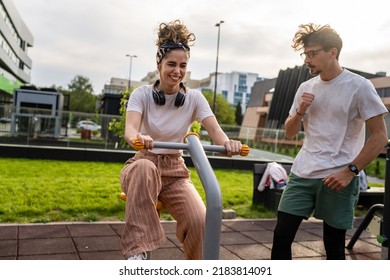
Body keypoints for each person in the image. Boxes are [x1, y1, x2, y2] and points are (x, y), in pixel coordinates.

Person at [120, 19, 243, 260]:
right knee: (145, 167)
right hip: (143, 164)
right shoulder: (142, 95)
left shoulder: (194, 98)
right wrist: (139, 137)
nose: (177, 71)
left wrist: (228, 143)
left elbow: (217, 132)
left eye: (183, 65)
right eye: (171, 64)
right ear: (159, 64)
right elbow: (130, 131)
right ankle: (137, 252)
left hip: (175, 170)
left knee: (201, 220)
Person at [271, 23, 388, 260]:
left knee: (333, 247)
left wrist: (350, 172)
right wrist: (301, 110)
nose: (307, 59)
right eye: (305, 54)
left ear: (332, 52)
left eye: (312, 53)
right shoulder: (305, 87)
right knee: (281, 236)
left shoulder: (359, 86)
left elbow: (380, 137)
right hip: (303, 173)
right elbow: (290, 132)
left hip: (339, 177)